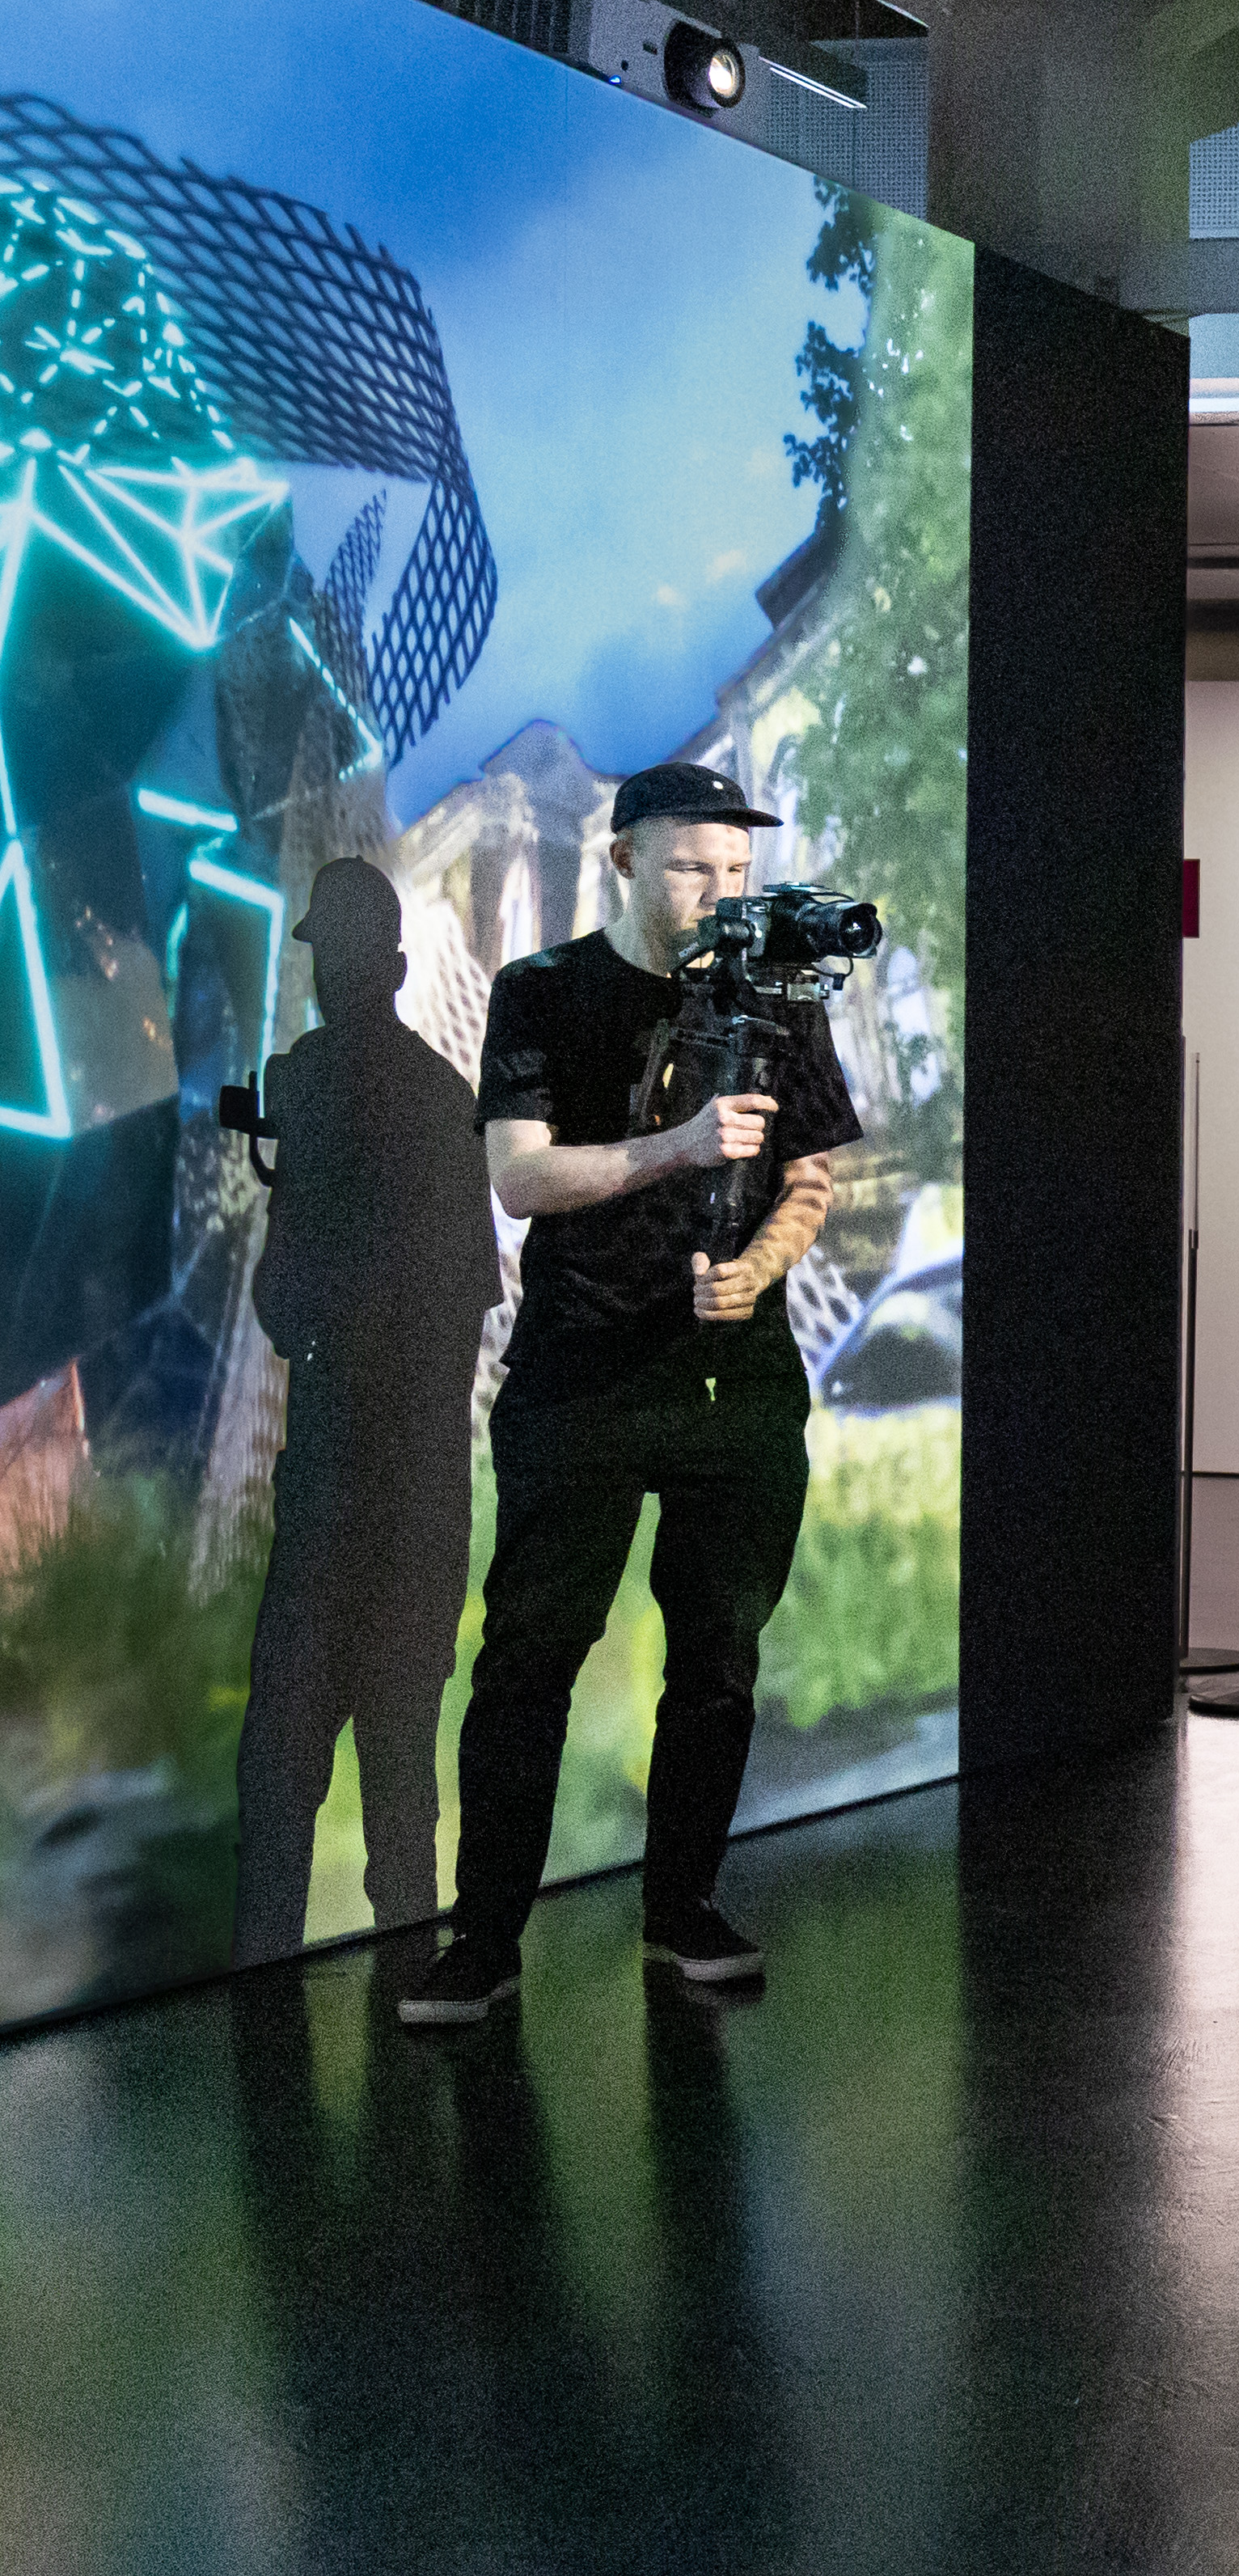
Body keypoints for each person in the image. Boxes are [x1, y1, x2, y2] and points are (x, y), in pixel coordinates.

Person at [397, 763, 859, 2028]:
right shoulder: (543, 992)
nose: (718, 893)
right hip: (582, 1369)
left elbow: (813, 1178)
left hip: (734, 1377)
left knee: (719, 1659)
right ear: (623, 861)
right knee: (530, 1663)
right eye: (691, 867)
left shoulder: (776, 997)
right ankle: (483, 1940)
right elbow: (520, 1181)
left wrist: (757, 1268)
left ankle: (682, 1912)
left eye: (735, 871)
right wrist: (676, 1146)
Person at [231, 858, 501, 1964]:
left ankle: (269, 2052)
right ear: (395, 969)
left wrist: (292, 1175)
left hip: (339, 1498)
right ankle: (420, 2036)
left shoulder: (316, 1093)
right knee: (404, 1807)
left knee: (277, 1796)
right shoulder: (445, 1100)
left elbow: (282, 1307)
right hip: (425, 1504)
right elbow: (467, 1309)